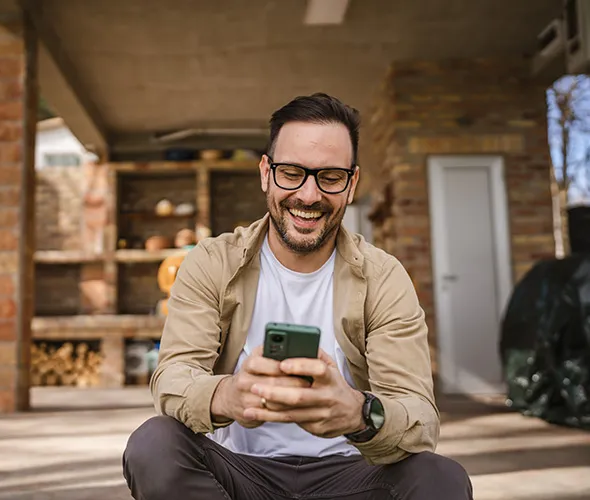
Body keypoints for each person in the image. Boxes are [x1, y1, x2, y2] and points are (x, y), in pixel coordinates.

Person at [123, 93, 473, 499]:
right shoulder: (212, 262)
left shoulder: (384, 277)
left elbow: (420, 419)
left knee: (440, 478)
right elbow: (172, 378)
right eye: (291, 172)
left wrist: (359, 414)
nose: (308, 196)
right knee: (154, 444)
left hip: (350, 475)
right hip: (241, 476)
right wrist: (228, 396)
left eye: (330, 177)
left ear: (352, 183)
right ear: (265, 174)